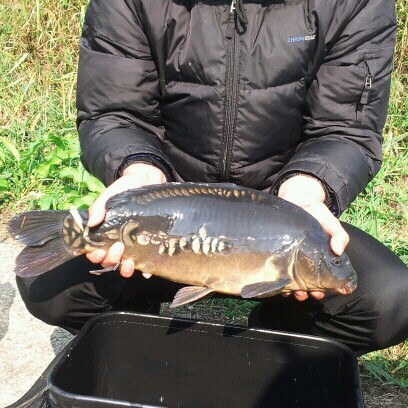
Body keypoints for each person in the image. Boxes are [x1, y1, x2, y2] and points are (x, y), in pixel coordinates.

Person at [17, 0, 407, 356]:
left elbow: (345, 129)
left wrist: (307, 190)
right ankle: (141, 333)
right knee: (47, 286)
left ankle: (274, 344)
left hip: (279, 213)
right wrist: (141, 172)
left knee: (392, 302)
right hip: (168, 219)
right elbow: (115, 114)